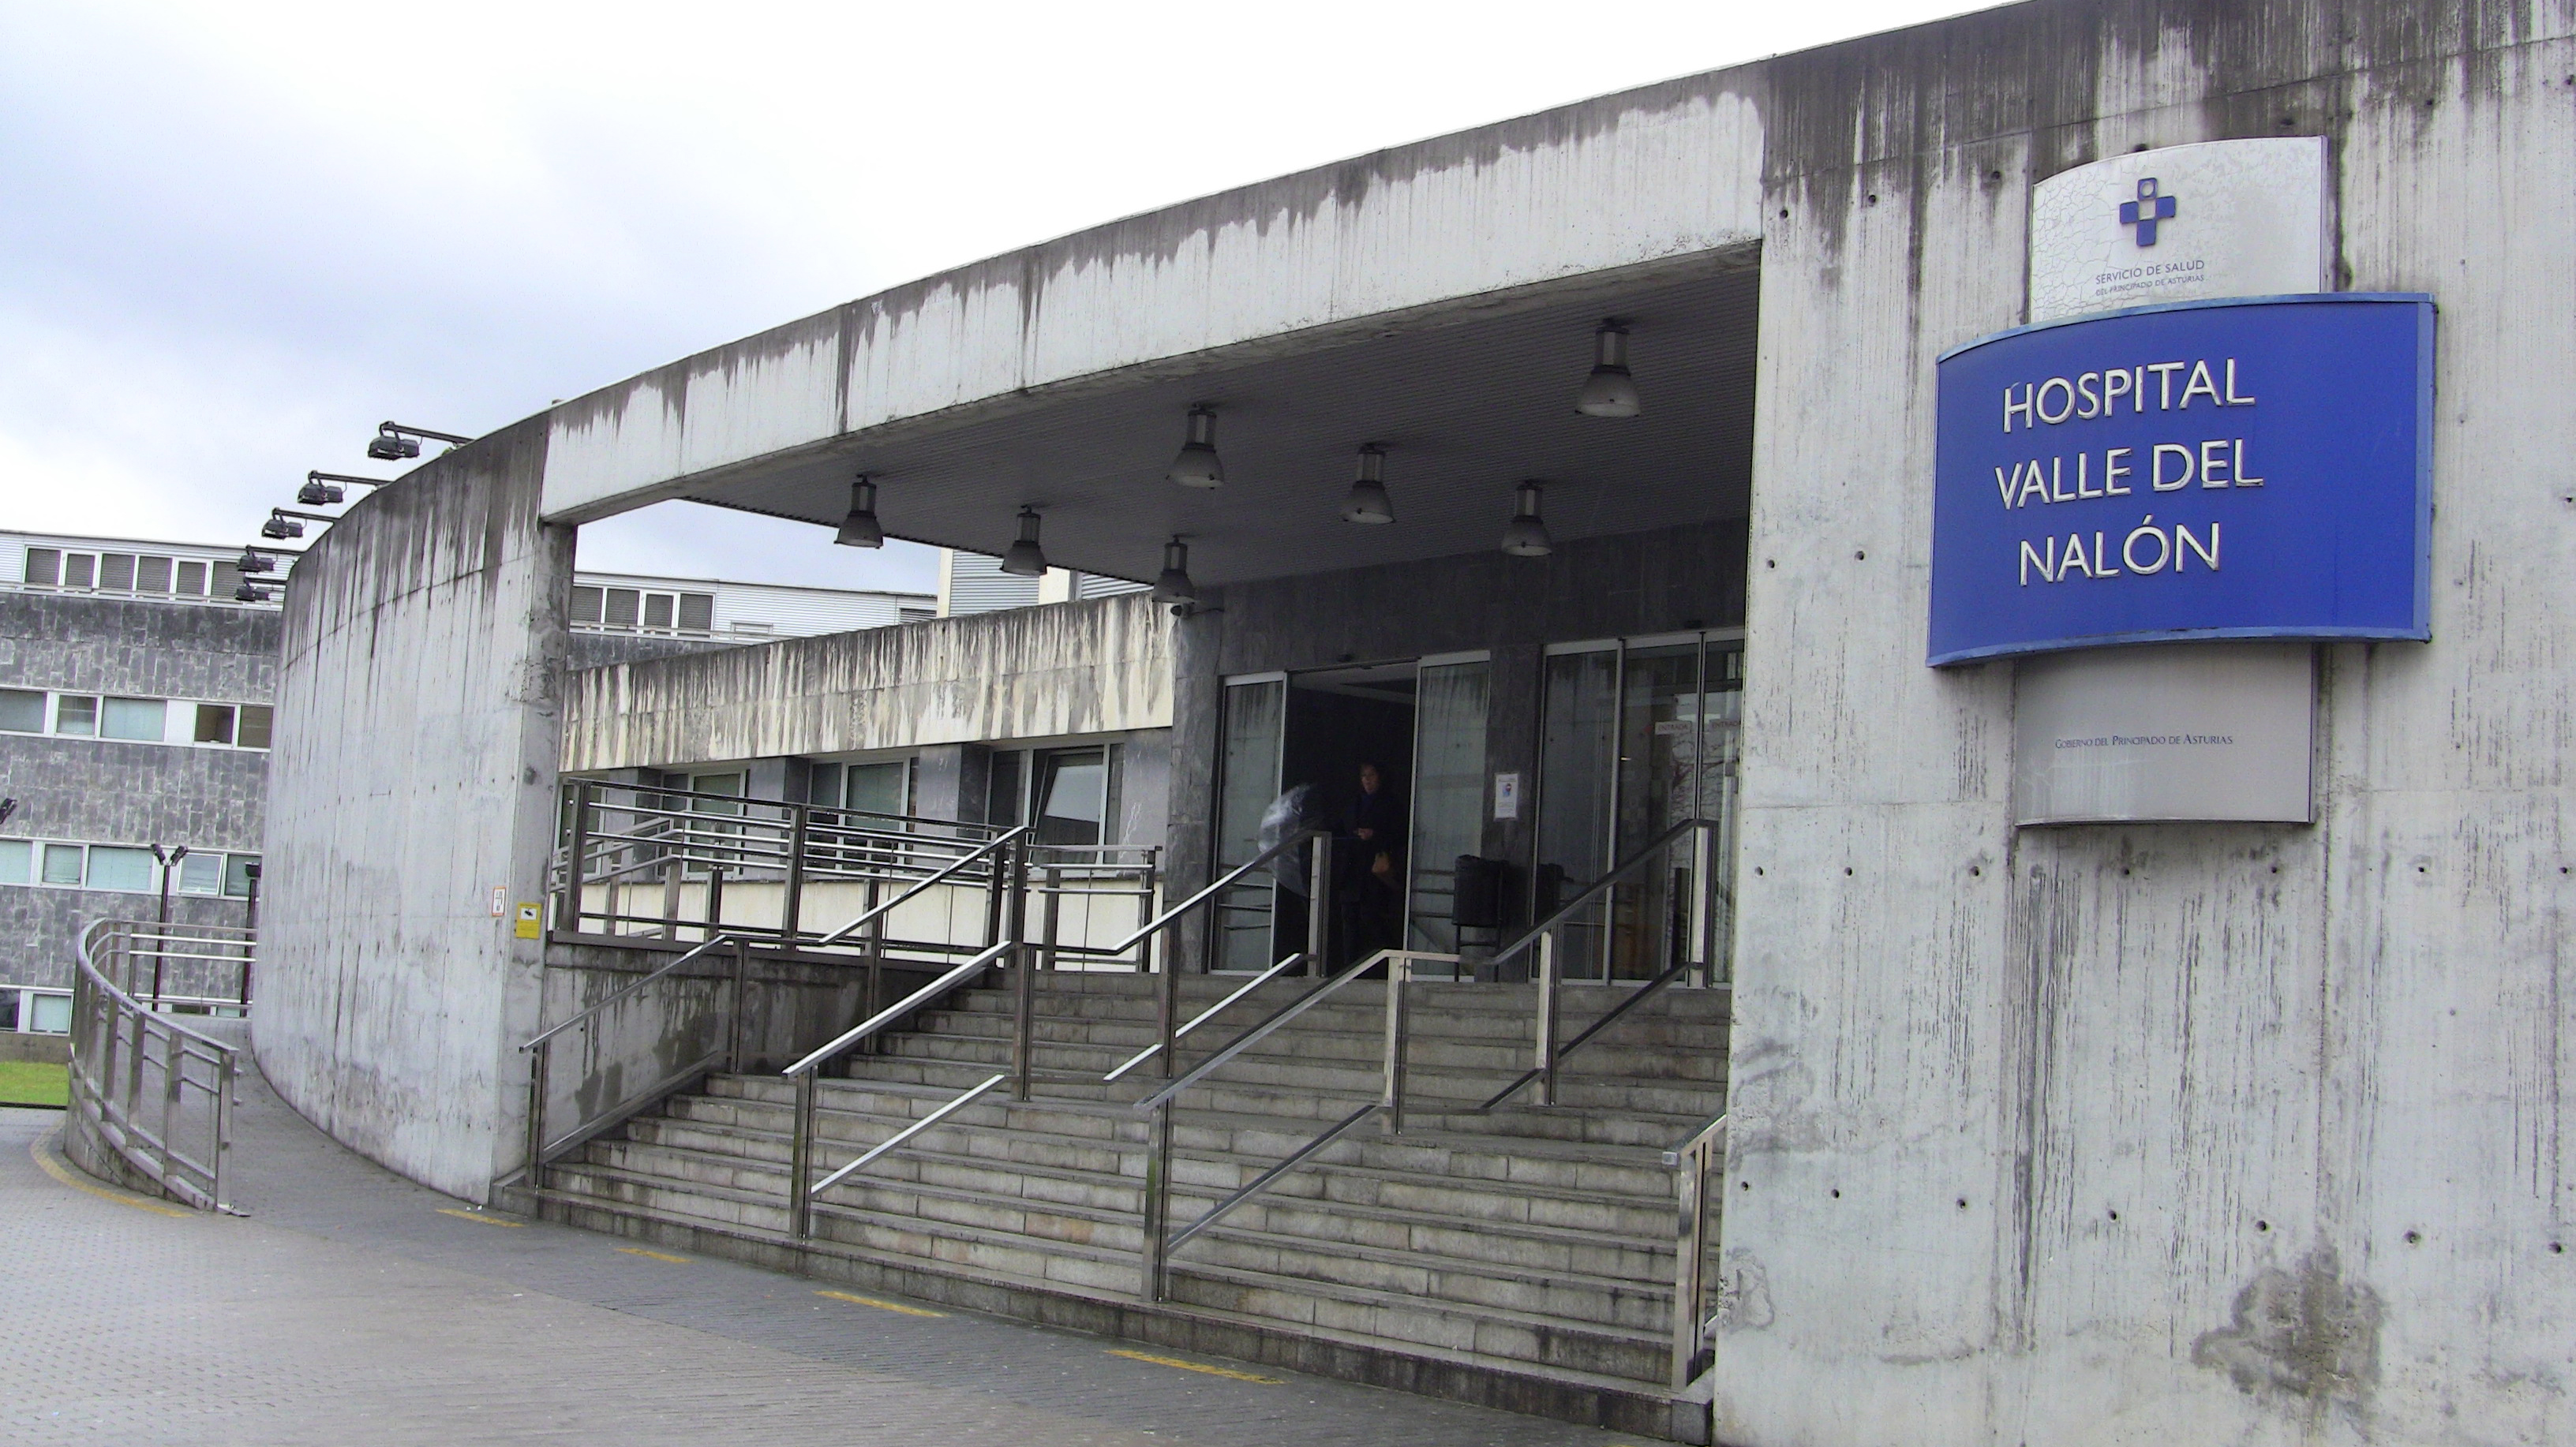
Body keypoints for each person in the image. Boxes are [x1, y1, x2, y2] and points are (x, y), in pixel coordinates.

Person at [1339, 762, 1404, 967]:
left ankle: (1391, 965)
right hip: (1353, 871)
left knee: (1373, 920)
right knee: (1350, 921)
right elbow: (1343, 828)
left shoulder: (1389, 804)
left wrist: (1375, 835)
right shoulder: (1354, 803)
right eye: (1363, 776)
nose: (1367, 780)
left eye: (1371, 775)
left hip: (1374, 872)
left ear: (1380, 777)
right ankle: (1349, 968)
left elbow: (1399, 833)